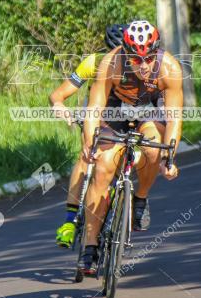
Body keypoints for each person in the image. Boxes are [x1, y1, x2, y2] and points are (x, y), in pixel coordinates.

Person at [78, 20, 183, 274]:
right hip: (115, 111)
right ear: (126, 52)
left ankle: (141, 198)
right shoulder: (110, 64)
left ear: (156, 52)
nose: (143, 66)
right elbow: (94, 109)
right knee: (102, 168)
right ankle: (90, 247)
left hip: (149, 112)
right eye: (136, 59)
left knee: (153, 149)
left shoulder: (169, 67)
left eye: (148, 59)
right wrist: (89, 143)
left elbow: (174, 119)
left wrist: (170, 160)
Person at [51, 24, 125, 248]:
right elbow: (58, 94)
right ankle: (70, 221)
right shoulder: (93, 62)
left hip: (126, 114)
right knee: (86, 157)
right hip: (98, 113)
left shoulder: (140, 65)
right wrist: (59, 105)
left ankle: (126, 198)